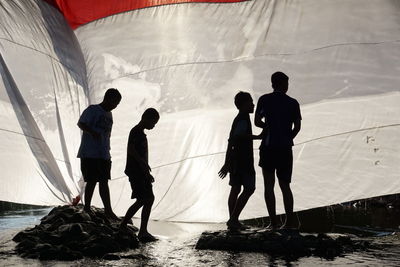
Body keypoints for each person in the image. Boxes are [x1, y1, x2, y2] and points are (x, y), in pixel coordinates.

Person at [255, 72, 302, 229]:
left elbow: (256, 121)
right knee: (285, 185)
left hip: (268, 147)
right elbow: (298, 126)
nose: (288, 86)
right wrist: (289, 137)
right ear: (281, 84)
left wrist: (268, 127)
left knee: (269, 185)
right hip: (285, 149)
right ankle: (289, 222)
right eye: (286, 83)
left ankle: (273, 222)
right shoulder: (293, 103)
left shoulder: (264, 100)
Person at [219, 92, 262, 230]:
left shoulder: (238, 119)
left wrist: (227, 162)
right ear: (244, 104)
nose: (253, 104)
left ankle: (233, 220)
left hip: (235, 160)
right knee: (249, 188)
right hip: (244, 160)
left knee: (236, 188)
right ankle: (233, 219)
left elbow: (231, 140)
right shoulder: (243, 119)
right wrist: (257, 136)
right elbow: (239, 137)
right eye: (250, 102)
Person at [77, 88, 122, 220]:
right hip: (90, 153)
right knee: (91, 181)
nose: (115, 106)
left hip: (104, 153)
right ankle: (87, 208)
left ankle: (108, 210)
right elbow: (81, 123)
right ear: (108, 99)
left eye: (117, 104)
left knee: (104, 181)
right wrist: (92, 132)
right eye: (115, 103)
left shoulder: (109, 115)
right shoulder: (92, 110)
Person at [120, 108, 160, 242]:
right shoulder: (136, 131)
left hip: (142, 171)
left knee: (149, 198)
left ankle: (143, 230)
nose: (154, 126)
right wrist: (142, 164)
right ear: (146, 118)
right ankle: (124, 225)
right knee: (143, 199)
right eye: (153, 123)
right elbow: (131, 150)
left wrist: (146, 171)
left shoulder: (141, 133)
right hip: (135, 171)